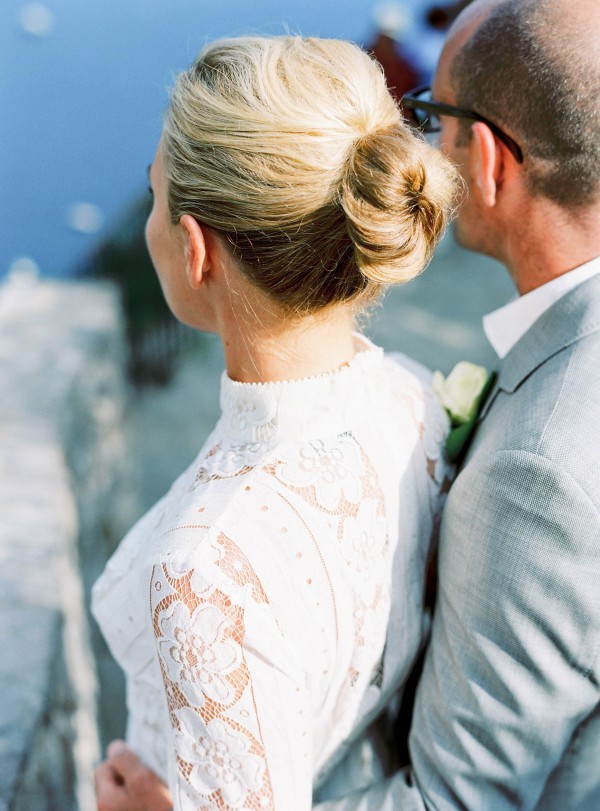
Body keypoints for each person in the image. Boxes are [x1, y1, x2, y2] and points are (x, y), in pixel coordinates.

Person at [92, 35, 459, 810]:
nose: (152, 218)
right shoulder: (410, 398)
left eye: (156, 196)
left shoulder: (205, 572)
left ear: (196, 251)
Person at [316, 0, 600, 807]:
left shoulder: (539, 467)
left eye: (432, 119)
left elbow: (454, 800)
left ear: (485, 160)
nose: (424, 145)